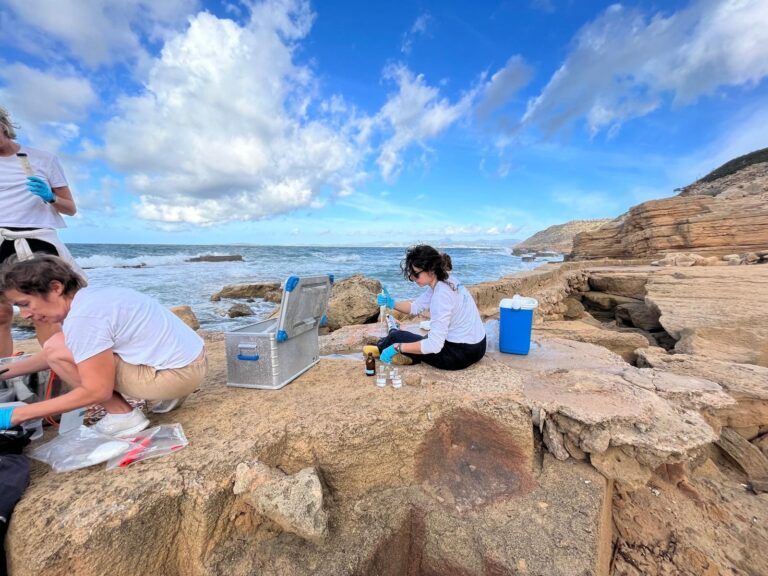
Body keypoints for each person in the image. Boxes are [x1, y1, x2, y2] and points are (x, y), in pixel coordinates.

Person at [0, 255, 207, 437]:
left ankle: (122, 416)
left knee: (56, 348)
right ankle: (170, 394)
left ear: (56, 287)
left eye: (25, 304)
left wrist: (17, 414)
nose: (25, 315)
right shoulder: (94, 297)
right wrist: (5, 371)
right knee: (58, 347)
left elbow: (96, 391)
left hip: (174, 377)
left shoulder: (83, 317)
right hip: (193, 363)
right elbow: (67, 350)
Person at [0, 106, 82, 357]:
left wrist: (49, 197)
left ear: (3, 126)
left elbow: (70, 209)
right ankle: (5, 377)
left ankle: (61, 369)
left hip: (38, 241)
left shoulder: (42, 160)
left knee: (44, 314)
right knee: (1, 314)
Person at [375, 244, 486, 370]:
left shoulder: (441, 296)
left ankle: (382, 347)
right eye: (410, 273)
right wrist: (392, 303)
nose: (412, 277)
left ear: (431, 270)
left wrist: (397, 347)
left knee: (396, 337)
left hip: (460, 355)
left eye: (415, 274)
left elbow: (434, 345)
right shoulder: (446, 280)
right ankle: (405, 353)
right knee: (421, 339)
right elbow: (415, 307)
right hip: (479, 346)